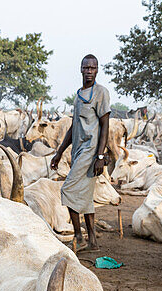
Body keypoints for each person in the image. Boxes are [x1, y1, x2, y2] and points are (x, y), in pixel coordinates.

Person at [51, 54, 111, 252]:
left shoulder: (101, 93)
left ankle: (79, 236)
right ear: (81, 69)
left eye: (93, 68)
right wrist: (59, 152)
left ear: (97, 70)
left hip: (91, 152)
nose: (89, 71)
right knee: (84, 197)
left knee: (67, 190)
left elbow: (105, 126)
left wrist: (100, 156)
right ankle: (92, 241)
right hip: (78, 151)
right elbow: (72, 127)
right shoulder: (78, 95)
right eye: (86, 68)